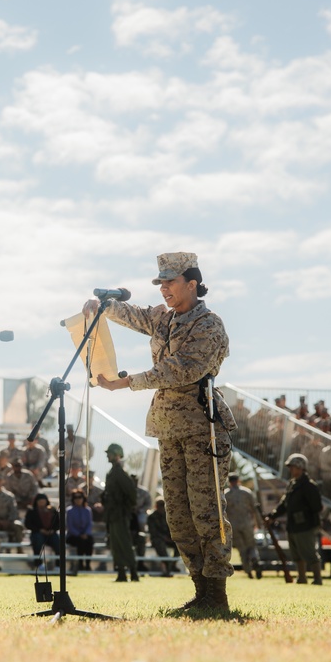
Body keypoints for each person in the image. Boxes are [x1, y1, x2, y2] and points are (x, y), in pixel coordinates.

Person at [86, 251, 236, 609]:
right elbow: (136, 315)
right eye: (161, 283)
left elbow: (181, 369)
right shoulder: (165, 320)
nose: (164, 289)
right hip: (168, 428)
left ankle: (216, 595)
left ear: (192, 283)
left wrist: (127, 384)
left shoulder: (208, 324)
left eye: (170, 282)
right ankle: (199, 591)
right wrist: (102, 307)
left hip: (203, 429)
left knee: (207, 512)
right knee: (179, 517)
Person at [266, 454, 323, 585]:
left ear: (300, 468)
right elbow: (284, 504)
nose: (291, 470)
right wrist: (272, 516)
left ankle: (317, 579)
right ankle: (302, 578)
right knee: (296, 554)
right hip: (293, 525)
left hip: (306, 525)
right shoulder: (292, 484)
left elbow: (317, 507)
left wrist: (306, 517)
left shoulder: (309, 486)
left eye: (293, 467)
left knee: (309, 553)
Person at [101, 443, 138, 582]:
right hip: (113, 513)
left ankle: (133, 572)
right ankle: (121, 572)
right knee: (115, 544)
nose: (107, 456)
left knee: (124, 543)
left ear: (116, 454)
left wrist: (126, 508)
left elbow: (131, 492)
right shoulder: (113, 471)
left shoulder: (119, 472)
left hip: (120, 513)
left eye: (109, 453)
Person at [225, 473, 262, 579]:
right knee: (251, 546)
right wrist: (258, 523)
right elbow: (255, 509)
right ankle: (255, 559)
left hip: (234, 525)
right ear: (238, 480)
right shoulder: (246, 492)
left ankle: (248, 571)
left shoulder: (226, 495)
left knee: (242, 549)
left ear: (229, 482)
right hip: (247, 523)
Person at [25, 492, 60, 570]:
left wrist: (53, 530)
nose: (42, 502)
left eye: (43, 501)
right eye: (40, 501)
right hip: (37, 533)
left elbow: (58, 523)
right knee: (37, 541)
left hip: (51, 533)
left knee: (58, 543)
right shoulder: (31, 511)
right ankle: (38, 564)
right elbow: (28, 524)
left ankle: (58, 565)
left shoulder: (53, 510)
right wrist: (40, 530)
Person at [148, 498, 178, 576]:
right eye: (160, 506)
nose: (161, 508)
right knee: (159, 543)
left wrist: (171, 537)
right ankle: (168, 565)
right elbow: (154, 532)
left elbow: (172, 528)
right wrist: (164, 538)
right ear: (156, 506)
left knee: (179, 544)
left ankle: (173, 565)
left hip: (168, 538)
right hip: (158, 539)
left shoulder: (168, 516)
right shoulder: (151, 517)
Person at [66, 489, 95, 572]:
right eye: (76, 497)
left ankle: (88, 564)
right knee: (80, 542)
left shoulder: (87, 510)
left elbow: (89, 523)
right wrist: (79, 534)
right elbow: (70, 526)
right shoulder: (69, 511)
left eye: (80, 497)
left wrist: (86, 533)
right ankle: (80, 564)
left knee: (89, 541)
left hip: (86, 534)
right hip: (73, 535)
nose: (78, 499)